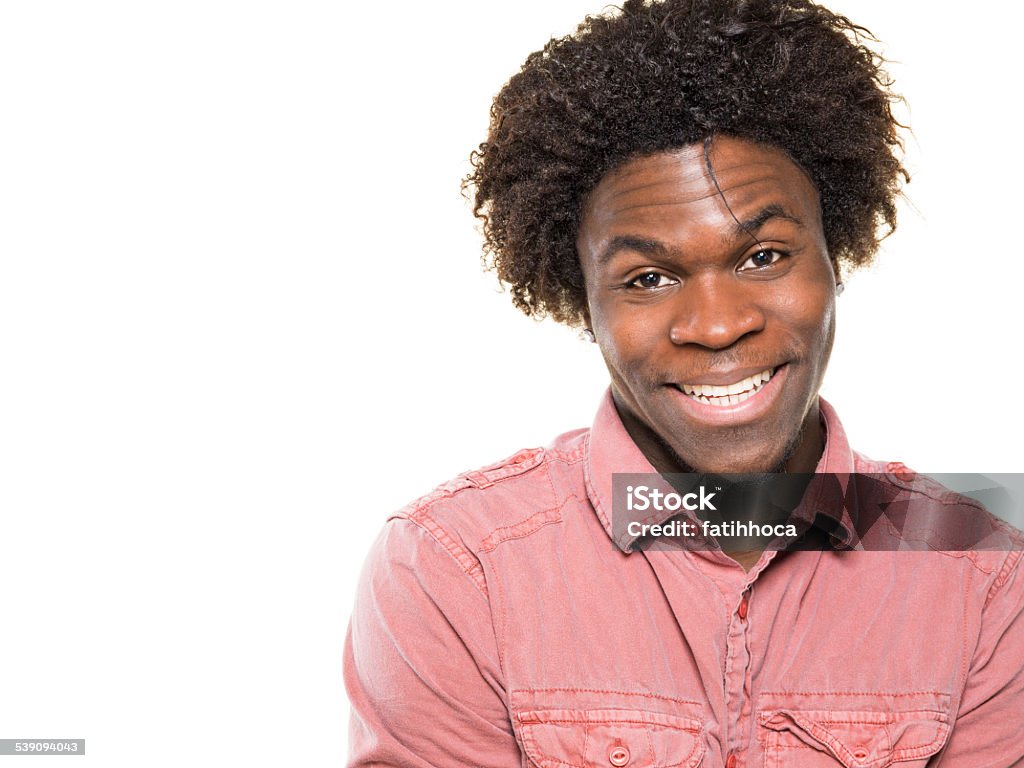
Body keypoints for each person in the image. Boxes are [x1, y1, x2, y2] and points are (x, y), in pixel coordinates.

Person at [344, 0, 1024, 765]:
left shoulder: (982, 571)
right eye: (648, 277)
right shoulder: (454, 569)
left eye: (764, 256)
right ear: (583, 302)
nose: (717, 324)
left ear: (836, 254)